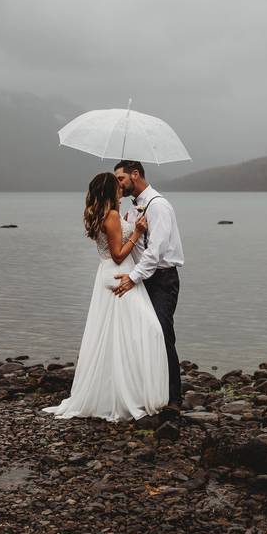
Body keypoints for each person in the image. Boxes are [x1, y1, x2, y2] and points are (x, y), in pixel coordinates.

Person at [42, 172, 169, 421]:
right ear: (111, 191)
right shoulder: (110, 216)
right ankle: (127, 394)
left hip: (110, 273)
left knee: (118, 334)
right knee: (150, 329)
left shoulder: (109, 215)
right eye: (117, 186)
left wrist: (130, 222)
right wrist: (137, 231)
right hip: (118, 275)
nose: (121, 188)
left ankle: (122, 389)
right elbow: (118, 254)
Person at [111, 160, 184, 407]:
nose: (118, 184)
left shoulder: (159, 206)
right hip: (142, 278)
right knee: (140, 335)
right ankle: (148, 392)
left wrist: (132, 278)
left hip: (162, 279)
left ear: (135, 174)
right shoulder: (132, 210)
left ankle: (173, 399)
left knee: (162, 334)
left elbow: (155, 252)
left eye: (120, 179)